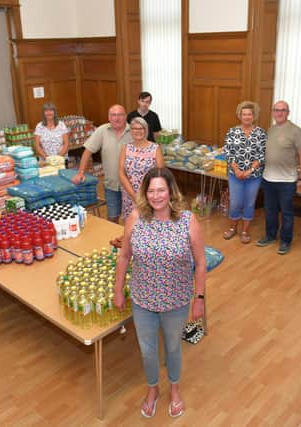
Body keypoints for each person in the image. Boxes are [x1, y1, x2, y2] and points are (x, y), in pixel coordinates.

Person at [114, 167, 205, 419]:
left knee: (174, 347)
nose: (156, 196)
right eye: (151, 190)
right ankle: (152, 389)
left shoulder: (188, 220)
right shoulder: (135, 218)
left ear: (170, 192)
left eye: (161, 190)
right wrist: (118, 290)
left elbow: (200, 262)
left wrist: (199, 298)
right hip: (143, 299)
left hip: (176, 300)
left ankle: (174, 389)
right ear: (145, 193)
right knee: (147, 349)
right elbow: (124, 256)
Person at [256, 100, 301, 255]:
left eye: (283, 110)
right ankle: (270, 236)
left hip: (286, 181)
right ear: (272, 112)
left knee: (286, 212)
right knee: (270, 210)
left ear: (288, 113)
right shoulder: (270, 129)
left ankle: (286, 241)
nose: (279, 113)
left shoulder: (296, 131)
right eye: (276, 110)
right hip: (268, 179)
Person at [71, 104, 132, 223]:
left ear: (125, 116)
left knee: (131, 219)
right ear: (109, 117)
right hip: (111, 184)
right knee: (112, 217)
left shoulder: (134, 131)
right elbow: (88, 151)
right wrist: (81, 172)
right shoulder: (102, 130)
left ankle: (129, 241)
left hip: (131, 185)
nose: (117, 118)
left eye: (120, 115)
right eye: (113, 115)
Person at [222, 101, 266, 244]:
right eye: (244, 114)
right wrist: (237, 170)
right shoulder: (232, 132)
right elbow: (228, 152)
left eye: (249, 114)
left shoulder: (260, 133)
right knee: (235, 202)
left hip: (253, 176)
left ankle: (245, 231)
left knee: (249, 203)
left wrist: (249, 171)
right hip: (235, 175)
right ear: (239, 116)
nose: (247, 117)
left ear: (254, 116)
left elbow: (262, 155)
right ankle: (232, 228)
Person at [119, 117, 165, 220]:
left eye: (141, 128)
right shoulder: (125, 148)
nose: (138, 131)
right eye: (135, 128)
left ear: (146, 130)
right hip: (129, 195)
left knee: (149, 225)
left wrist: (146, 196)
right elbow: (121, 173)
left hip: (150, 196)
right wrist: (134, 196)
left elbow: (161, 175)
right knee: (131, 224)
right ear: (131, 131)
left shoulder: (155, 148)